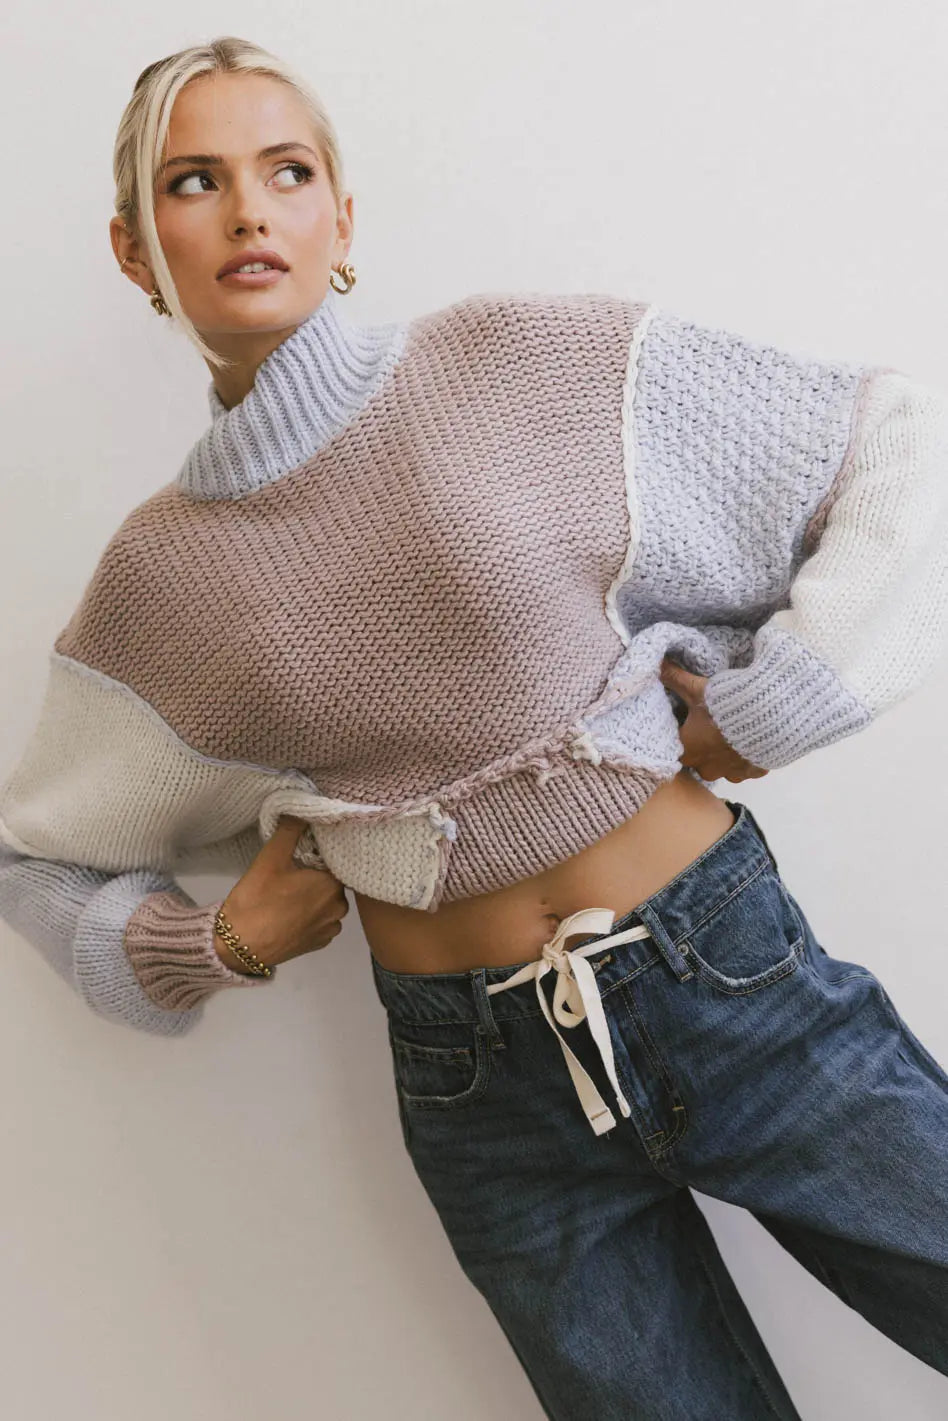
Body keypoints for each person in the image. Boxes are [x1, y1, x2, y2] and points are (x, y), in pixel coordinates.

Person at [1, 34, 946, 1419]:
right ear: (137, 250)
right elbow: (35, 857)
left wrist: (790, 694)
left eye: (287, 171)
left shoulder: (517, 363)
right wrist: (211, 945)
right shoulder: (159, 582)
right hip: (479, 1095)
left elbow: (890, 439)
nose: (250, 210)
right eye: (194, 182)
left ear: (343, 218)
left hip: (730, 986)